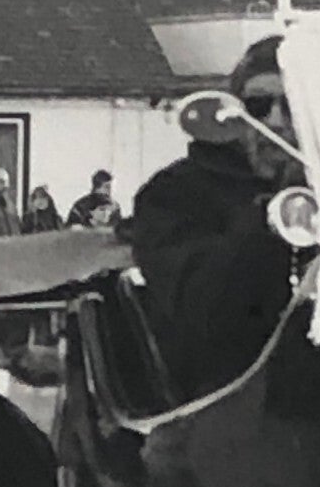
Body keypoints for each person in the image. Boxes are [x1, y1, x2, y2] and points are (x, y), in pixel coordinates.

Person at [128, 34, 298, 401]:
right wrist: (268, 220)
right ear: (232, 116)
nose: (276, 121)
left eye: (296, 106)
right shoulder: (175, 194)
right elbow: (205, 308)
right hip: (227, 394)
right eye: (258, 106)